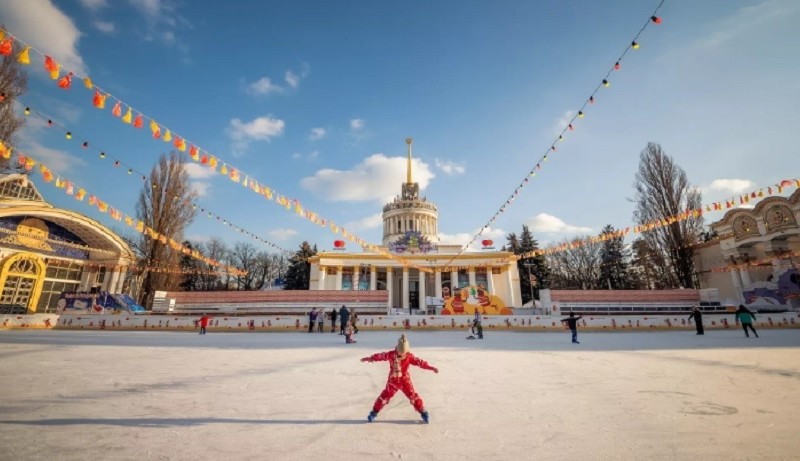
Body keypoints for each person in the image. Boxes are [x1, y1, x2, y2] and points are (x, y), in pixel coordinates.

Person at [361, 334, 438, 423]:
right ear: (397, 348)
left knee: (413, 397)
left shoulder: (409, 357)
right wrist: (370, 358)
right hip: (393, 381)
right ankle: (373, 413)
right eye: (400, 352)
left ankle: (423, 412)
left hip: (405, 381)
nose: (402, 354)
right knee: (384, 397)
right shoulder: (391, 355)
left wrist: (431, 367)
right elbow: (380, 356)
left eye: (404, 353)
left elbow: (420, 363)